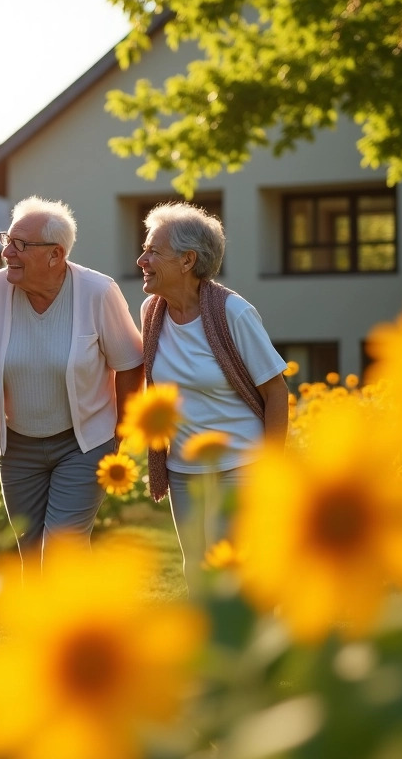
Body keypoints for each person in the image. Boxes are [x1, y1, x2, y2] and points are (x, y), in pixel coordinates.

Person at [0, 196, 144, 567]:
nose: (6, 252)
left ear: (56, 254)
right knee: (29, 552)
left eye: (20, 245)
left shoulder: (98, 292)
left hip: (83, 445)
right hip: (17, 446)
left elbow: (130, 363)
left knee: (62, 550)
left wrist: (120, 431)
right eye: (8, 240)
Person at [137, 202, 288, 581]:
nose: (142, 259)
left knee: (231, 572)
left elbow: (276, 393)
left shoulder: (232, 312)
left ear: (187, 261)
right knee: (195, 571)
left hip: (240, 465)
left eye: (154, 251)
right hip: (184, 469)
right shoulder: (151, 314)